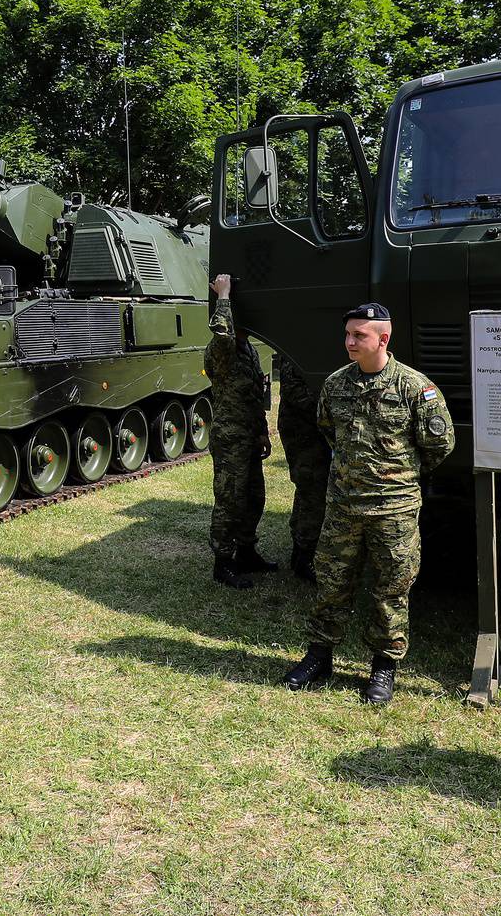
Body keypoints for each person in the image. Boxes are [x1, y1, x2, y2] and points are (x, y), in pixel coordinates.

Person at [283, 301, 454, 705]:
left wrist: (396, 479)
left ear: (384, 338)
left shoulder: (415, 389)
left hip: (393, 511)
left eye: (359, 335)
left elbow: (439, 445)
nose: (349, 342)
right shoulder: (335, 385)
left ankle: (383, 666)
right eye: (347, 334)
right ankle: (320, 656)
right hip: (344, 507)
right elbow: (329, 431)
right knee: (331, 583)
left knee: (390, 588)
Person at [203, 274, 273, 588]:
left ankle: (246, 552)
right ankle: (223, 563)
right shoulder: (223, 348)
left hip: (248, 435)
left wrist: (262, 431)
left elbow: (256, 393)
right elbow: (220, 332)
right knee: (230, 500)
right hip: (230, 437)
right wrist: (224, 295)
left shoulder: (250, 350)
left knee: (254, 497)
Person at [276, 359, 331, 582]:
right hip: (303, 432)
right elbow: (298, 395)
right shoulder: (295, 358)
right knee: (313, 492)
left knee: (307, 491)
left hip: (311, 432)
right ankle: (305, 557)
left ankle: (300, 552)